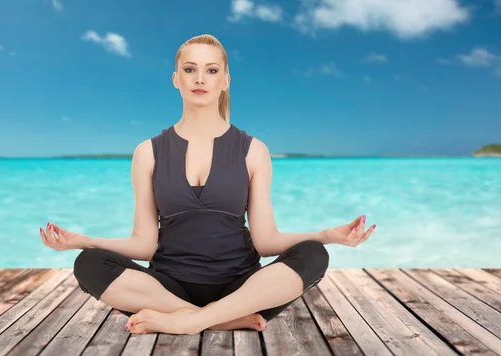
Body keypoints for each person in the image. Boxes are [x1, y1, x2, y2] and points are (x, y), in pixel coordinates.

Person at [39, 33, 376, 335]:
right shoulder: (148, 152)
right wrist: (85, 240)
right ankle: (220, 319)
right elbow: (144, 245)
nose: (200, 78)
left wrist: (328, 236)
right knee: (88, 262)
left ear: (225, 80)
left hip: (241, 287)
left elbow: (266, 241)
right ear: (176, 79)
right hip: (167, 288)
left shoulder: (253, 150)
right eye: (190, 69)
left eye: (211, 70)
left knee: (314, 255)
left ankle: (190, 321)